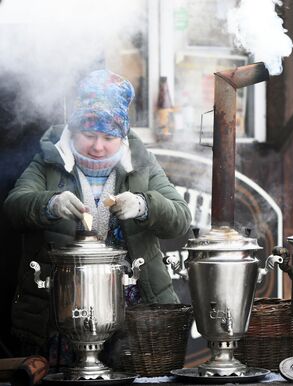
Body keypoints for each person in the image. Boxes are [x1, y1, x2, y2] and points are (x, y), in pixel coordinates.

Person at [3, 69, 192, 355]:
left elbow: (180, 219)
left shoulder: (141, 164)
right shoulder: (49, 160)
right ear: (74, 130)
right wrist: (50, 203)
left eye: (109, 137)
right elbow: (14, 208)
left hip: (133, 310)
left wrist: (144, 205)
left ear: (123, 136)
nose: (98, 147)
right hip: (62, 309)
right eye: (89, 134)